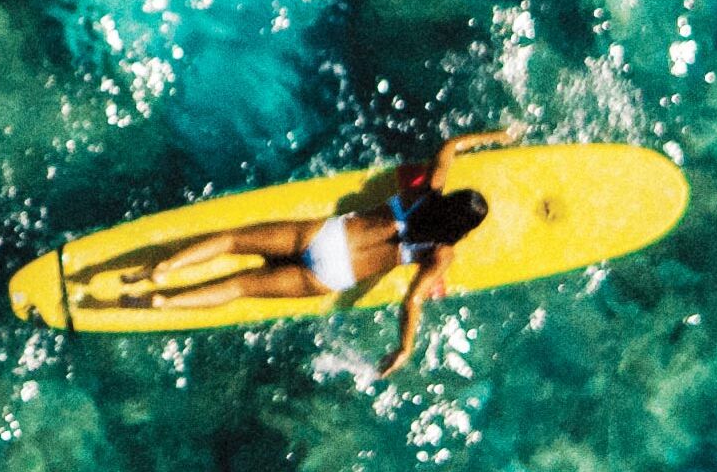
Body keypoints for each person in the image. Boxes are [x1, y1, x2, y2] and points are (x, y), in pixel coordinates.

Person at [67, 131, 508, 372]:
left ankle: (162, 269)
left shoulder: (426, 194)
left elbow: (449, 147)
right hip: (331, 277)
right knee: (239, 287)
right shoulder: (441, 254)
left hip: (327, 238)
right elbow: (413, 300)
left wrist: (499, 136)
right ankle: (164, 300)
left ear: (451, 202)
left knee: (234, 241)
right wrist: (405, 347)